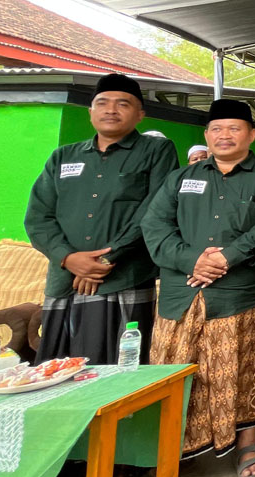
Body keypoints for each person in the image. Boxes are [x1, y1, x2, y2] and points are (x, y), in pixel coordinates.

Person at [142, 99, 255, 477]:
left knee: (242, 368)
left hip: (241, 293)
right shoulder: (180, 178)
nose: (224, 136)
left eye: (234, 128)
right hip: (182, 291)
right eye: (216, 129)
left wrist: (226, 257)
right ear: (207, 135)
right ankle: (167, 450)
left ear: (251, 134)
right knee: (171, 370)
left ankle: (246, 444)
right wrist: (192, 259)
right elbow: (155, 225)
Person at [25, 73, 179, 366]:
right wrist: (68, 258)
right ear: (90, 111)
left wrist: (105, 259)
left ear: (140, 114)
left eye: (123, 104)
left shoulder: (156, 151)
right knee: (57, 369)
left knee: (120, 370)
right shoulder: (63, 156)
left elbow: (155, 211)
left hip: (123, 278)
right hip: (64, 280)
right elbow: (37, 217)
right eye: (102, 103)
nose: (111, 110)